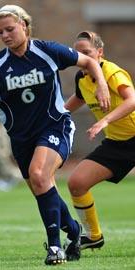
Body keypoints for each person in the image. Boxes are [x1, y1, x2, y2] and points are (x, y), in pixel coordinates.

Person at [0, 6, 110, 265]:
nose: (5, 35)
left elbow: (89, 61)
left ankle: (55, 247)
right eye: (0, 32)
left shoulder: (48, 51)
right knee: (42, 187)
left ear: (24, 25)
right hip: (21, 138)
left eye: (10, 29)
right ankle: (75, 231)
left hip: (55, 126)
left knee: (39, 174)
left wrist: (101, 84)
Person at [64, 30, 135, 251]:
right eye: (78, 54)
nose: (82, 58)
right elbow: (74, 101)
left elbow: (132, 100)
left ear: (100, 52)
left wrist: (104, 121)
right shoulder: (82, 78)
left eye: (87, 52)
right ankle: (93, 236)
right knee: (77, 183)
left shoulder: (112, 72)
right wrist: (51, 116)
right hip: (118, 144)